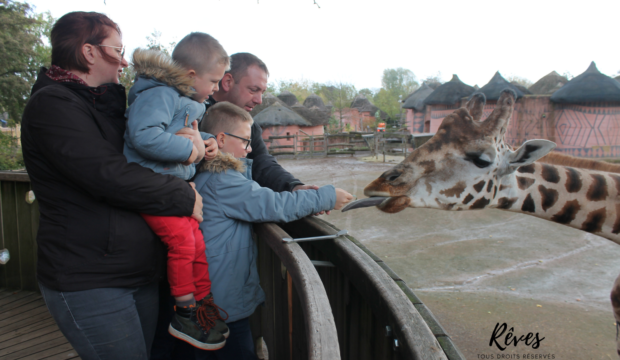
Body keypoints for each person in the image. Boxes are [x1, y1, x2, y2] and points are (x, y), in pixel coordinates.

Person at [20, 12, 203, 360]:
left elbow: (145, 156)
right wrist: (181, 195)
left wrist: (195, 140)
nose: (123, 60)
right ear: (89, 53)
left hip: (135, 270)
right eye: (117, 49)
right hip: (89, 277)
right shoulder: (52, 106)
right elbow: (107, 175)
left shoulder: (108, 105)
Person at [193, 102, 354, 359]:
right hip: (221, 304)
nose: (249, 149)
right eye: (245, 141)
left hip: (214, 296)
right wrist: (326, 197)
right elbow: (275, 205)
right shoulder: (223, 180)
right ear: (221, 140)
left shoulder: (210, 176)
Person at [123, 32, 231, 351]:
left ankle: (202, 306)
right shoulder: (159, 95)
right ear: (190, 75)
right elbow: (143, 136)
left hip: (172, 188)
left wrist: (207, 142)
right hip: (153, 188)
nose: (215, 89)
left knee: (197, 243)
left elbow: (177, 133)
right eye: (213, 81)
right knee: (183, 242)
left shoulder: (185, 101)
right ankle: (184, 312)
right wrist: (192, 152)